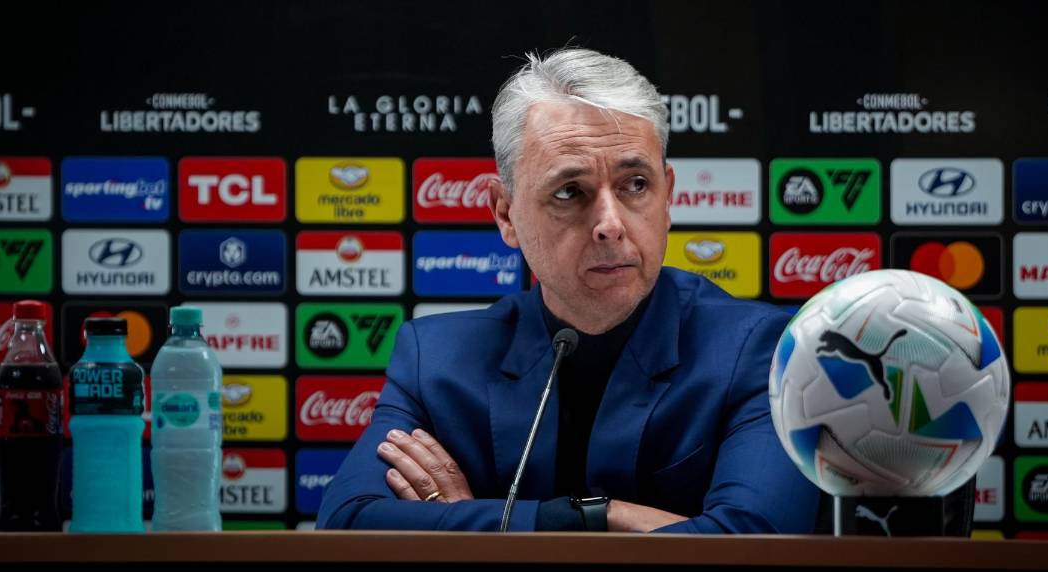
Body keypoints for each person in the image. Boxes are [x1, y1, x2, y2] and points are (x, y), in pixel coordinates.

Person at [317, 48, 819, 533]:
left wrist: (477, 529)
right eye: (569, 192)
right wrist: (592, 518)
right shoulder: (436, 359)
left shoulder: (761, 350)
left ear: (667, 197)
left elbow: (755, 544)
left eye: (635, 185)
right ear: (505, 213)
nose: (610, 225)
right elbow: (348, 523)